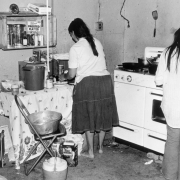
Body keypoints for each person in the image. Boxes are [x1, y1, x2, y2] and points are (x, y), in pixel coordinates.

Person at [59, 18, 119, 158]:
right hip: (105, 82)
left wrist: (63, 76)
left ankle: (91, 152)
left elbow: (72, 74)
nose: (72, 38)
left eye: (71, 35)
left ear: (73, 33)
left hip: (88, 84)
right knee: (102, 116)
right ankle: (100, 148)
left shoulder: (76, 48)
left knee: (88, 117)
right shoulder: (96, 41)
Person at [155, 28, 180, 180]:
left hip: (173, 107)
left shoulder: (168, 52)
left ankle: (170, 176)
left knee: (172, 141)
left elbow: (158, 80)